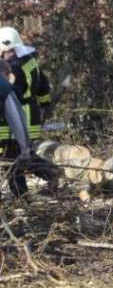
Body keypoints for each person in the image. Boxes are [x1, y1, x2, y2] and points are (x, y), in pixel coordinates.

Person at [0, 27, 52, 196]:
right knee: (21, 157)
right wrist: (45, 105)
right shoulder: (30, 60)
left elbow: (9, 95)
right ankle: (52, 173)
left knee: (13, 159)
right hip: (32, 115)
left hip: (15, 120)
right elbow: (43, 86)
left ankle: (21, 196)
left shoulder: (10, 68)